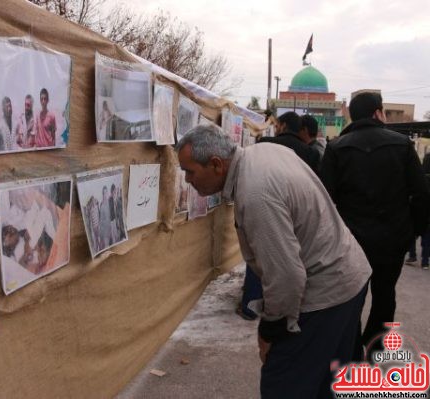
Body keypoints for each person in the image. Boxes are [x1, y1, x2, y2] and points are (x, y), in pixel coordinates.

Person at [177, 124, 371, 398]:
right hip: (348, 275)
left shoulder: (256, 194)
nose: (187, 180)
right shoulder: (263, 152)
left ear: (217, 164)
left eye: (190, 171)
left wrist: (270, 331)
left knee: (284, 383)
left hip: (327, 289)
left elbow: (287, 277)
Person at [320, 91, 430, 356]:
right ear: (378, 112)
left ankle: (350, 347)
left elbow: (324, 200)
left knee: (351, 296)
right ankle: (374, 346)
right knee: (385, 294)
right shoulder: (402, 145)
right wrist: (412, 231)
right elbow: (422, 194)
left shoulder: (336, 148)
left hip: (351, 240)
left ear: (352, 115)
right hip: (393, 239)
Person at [238, 111, 321, 321]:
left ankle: (250, 306)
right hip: (296, 214)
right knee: (290, 258)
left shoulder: (265, 144)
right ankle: (287, 307)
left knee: (259, 258)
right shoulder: (309, 153)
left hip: (264, 207)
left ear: (282, 126)